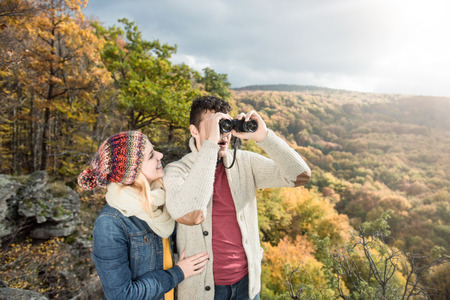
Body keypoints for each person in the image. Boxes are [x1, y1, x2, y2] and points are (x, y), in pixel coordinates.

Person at [163, 96, 311, 300]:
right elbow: (190, 214)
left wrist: (264, 136)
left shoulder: (243, 163)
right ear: (194, 131)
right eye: (214, 125)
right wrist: (210, 149)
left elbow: (299, 175)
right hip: (202, 289)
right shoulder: (177, 171)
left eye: (225, 125)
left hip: (247, 286)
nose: (222, 133)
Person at [77, 131, 209, 300]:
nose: (160, 155)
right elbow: (122, 295)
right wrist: (178, 273)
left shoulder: (160, 201)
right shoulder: (110, 224)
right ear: (134, 174)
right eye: (152, 155)